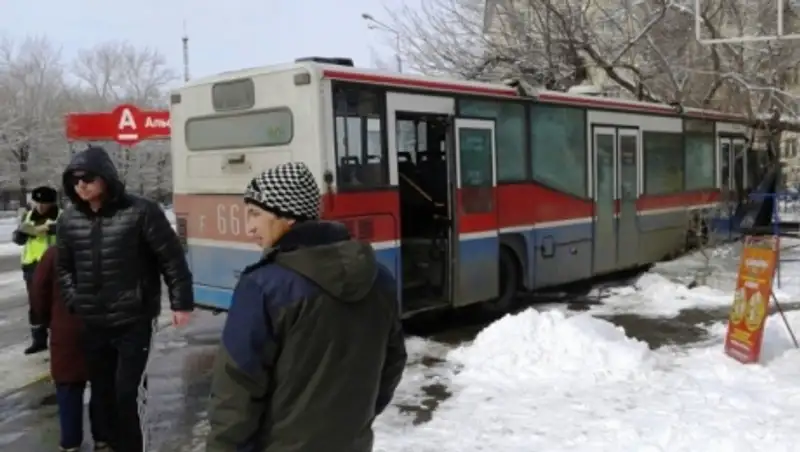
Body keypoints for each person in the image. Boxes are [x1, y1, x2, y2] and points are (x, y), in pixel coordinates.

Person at [205, 162, 407, 452]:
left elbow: (236, 390)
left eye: (255, 214)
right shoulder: (379, 278)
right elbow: (393, 361)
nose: (249, 226)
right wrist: (354, 420)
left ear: (287, 217)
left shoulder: (264, 286)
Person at [56, 145, 194, 452]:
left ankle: (134, 446)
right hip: (92, 321)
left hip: (133, 319)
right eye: (75, 179)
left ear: (106, 177)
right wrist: (74, 299)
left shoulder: (140, 211)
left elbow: (171, 258)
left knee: (127, 393)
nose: (82, 185)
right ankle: (109, 444)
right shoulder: (69, 220)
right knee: (102, 393)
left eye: (88, 178)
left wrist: (181, 301)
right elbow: (64, 267)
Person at [30, 245, 106, 452]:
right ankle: (103, 438)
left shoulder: (54, 253)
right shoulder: (102, 248)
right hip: (101, 326)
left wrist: (50, 319)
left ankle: (71, 442)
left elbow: (38, 290)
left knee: (68, 385)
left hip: (65, 329)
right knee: (102, 384)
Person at [12, 185, 60, 355]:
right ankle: (38, 340)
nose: (40, 206)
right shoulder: (28, 217)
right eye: (37, 202)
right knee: (36, 304)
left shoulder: (60, 217)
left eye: (44, 203)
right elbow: (18, 238)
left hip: (53, 266)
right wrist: (23, 234)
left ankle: (58, 338)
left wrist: (53, 229)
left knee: (56, 304)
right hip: (31, 266)